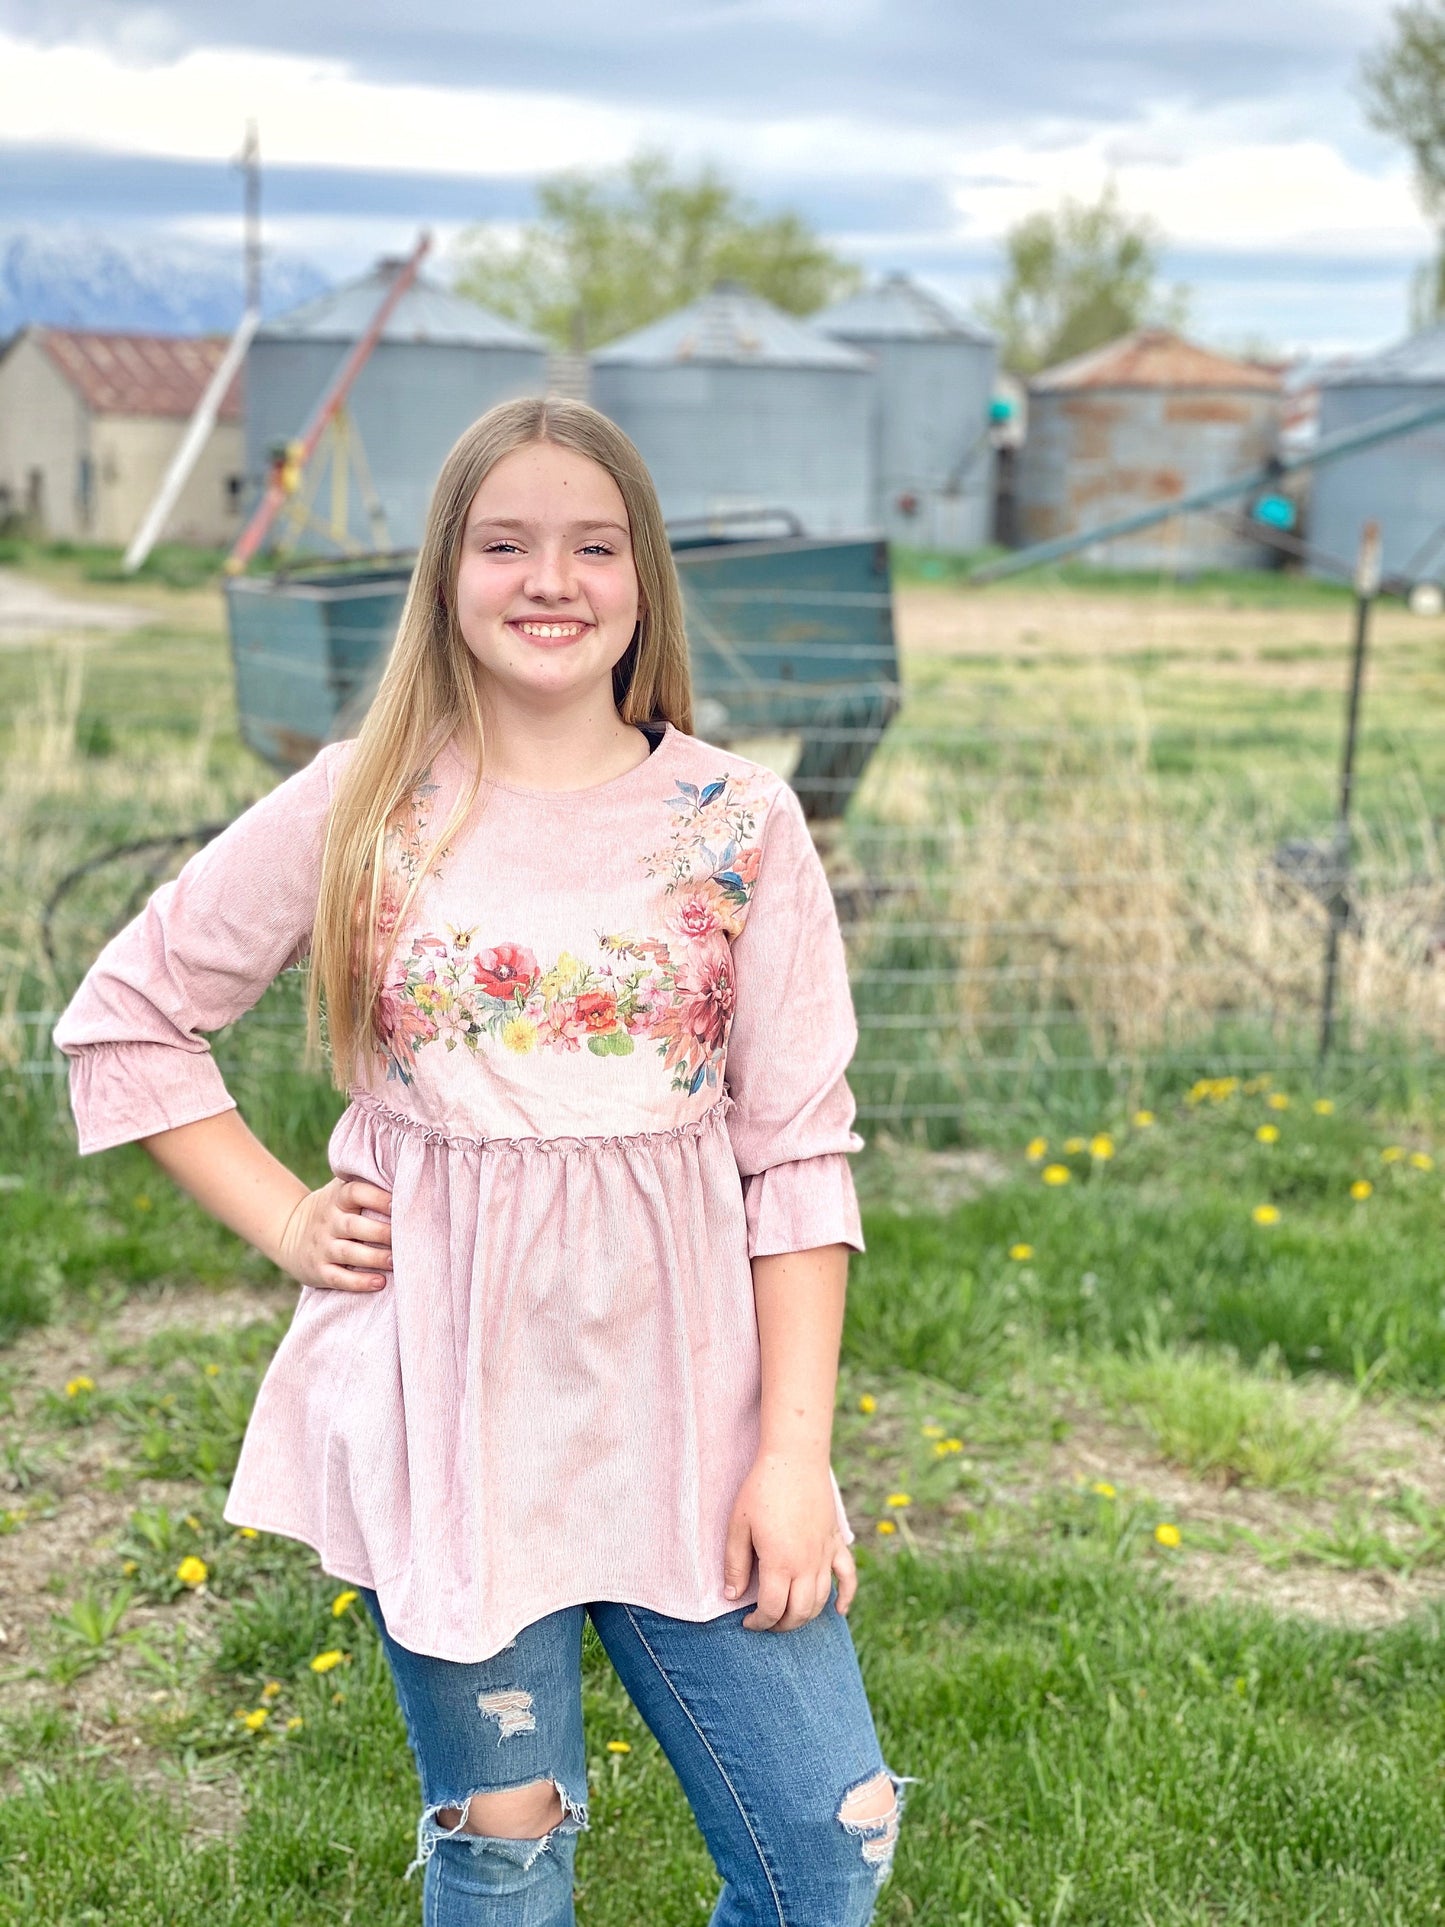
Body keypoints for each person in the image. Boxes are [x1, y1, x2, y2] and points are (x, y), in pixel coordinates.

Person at [52, 397, 909, 1926]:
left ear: (642, 577)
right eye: (503, 543)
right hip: (445, 1401)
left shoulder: (738, 823)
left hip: (689, 1404)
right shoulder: (364, 805)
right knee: (507, 1854)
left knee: (827, 1841)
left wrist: (792, 1455)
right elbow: (129, 1016)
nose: (549, 580)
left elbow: (796, 1159)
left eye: (591, 545)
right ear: (445, 575)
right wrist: (287, 1218)